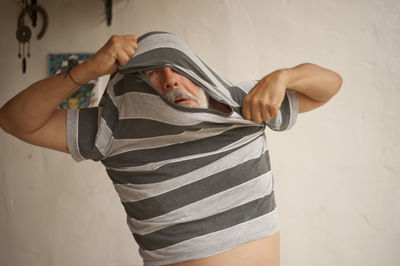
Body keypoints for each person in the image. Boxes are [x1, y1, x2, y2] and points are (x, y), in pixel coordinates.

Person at [0, 32, 342, 266]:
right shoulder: (113, 129)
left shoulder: (245, 103)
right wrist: (88, 69)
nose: (170, 79)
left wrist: (284, 76)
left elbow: (330, 85)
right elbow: (15, 120)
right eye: (152, 72)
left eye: (179, 68)